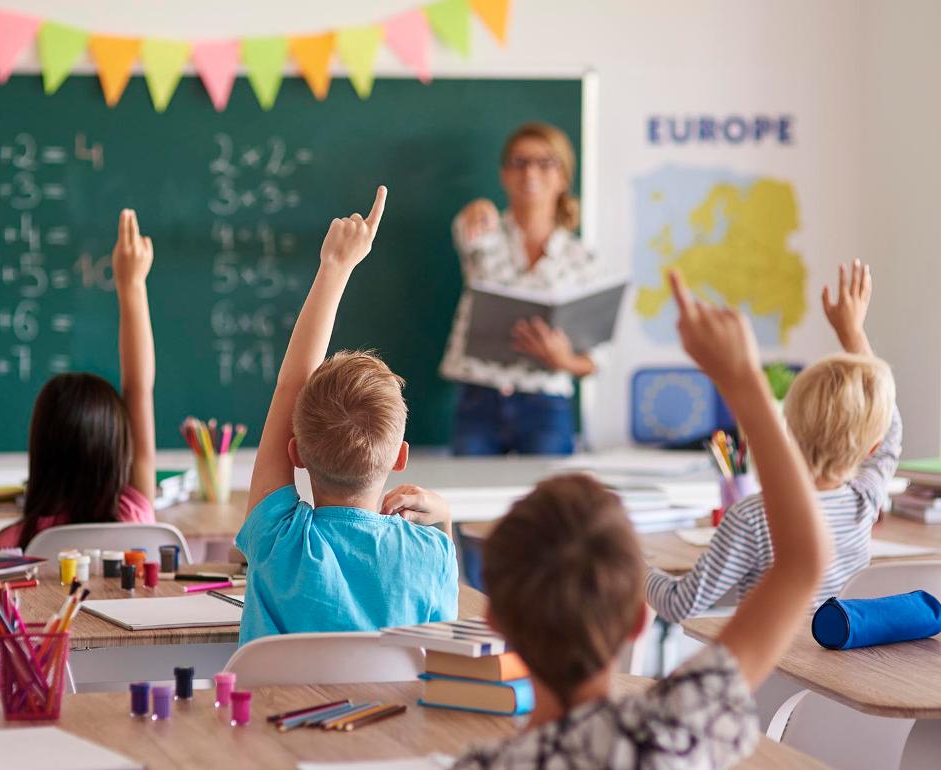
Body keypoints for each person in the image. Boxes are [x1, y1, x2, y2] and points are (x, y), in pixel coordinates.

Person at [453, 270, 831, 769]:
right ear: (637, 619)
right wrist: (743, 381)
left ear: (494, 622)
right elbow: (804, 562)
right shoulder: (679, 727)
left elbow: (802, 564)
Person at [236, 186, 459, 646]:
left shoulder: (280, 543)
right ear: (400, 456)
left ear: (294, 452)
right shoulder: (430, 554)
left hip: (272, 719)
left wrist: (333, 269)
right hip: (392, 720)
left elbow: (288, 387)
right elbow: (442, 653)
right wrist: (444, 519)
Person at [648, 260, 899, 622]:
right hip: (828, 674)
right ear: (871, 448)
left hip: (766, 671)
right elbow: (891, 430)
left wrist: (632, 563)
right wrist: (853, 333)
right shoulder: (865, 502)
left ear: (789, 428)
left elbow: (678, 604)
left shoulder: (754, 516)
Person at [0, 209, 157, 549]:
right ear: (119, 448)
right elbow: (138, 389)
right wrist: (132, 285)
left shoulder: (14, 544)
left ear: (41, 450)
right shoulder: (134, 516)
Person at [440, 122, 603, 455]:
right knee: (470, 501)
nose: (530, 171)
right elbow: (465, 230)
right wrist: (476, 209)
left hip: (546, 404)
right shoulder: (484, 231)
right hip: (478, 398)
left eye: (545, 163)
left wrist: (564, 360)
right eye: (519, 161)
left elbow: (595, 359)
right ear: (504, 174)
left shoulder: (581, 259)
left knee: (552, 504)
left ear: (563, 177)